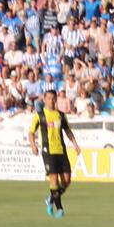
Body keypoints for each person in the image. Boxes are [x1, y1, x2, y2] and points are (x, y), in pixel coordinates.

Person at [26, 88, 80, 218]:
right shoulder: (40, 115)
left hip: (61, 151)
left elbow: (67, 130)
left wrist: (75, 144)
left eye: (53, 98)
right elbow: (31, 132)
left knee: (66, 181)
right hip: (48, 151)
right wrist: (33, 145)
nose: (51, 101)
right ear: (44, 99)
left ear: (56, 100)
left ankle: (50, 199)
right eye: (49, 98)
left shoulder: (61, 115)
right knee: (54, 179)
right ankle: (59, 209)